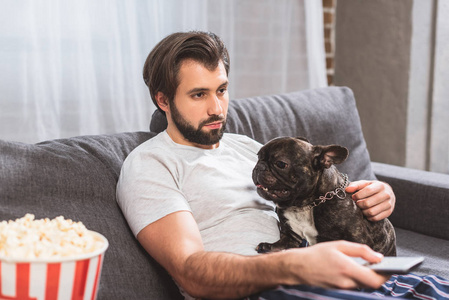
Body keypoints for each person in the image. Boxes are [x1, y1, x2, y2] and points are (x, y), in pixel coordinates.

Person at [116, 31, 446, 299]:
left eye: (222, 89)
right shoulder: (150, 164)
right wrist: (292, 265)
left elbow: (321, 187)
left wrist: (378, 193)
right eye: (199, 95)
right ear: (163, 100)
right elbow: (191, 271)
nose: (217, 108)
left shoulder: (248, 149)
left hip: (338, 276)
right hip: (275, 289)